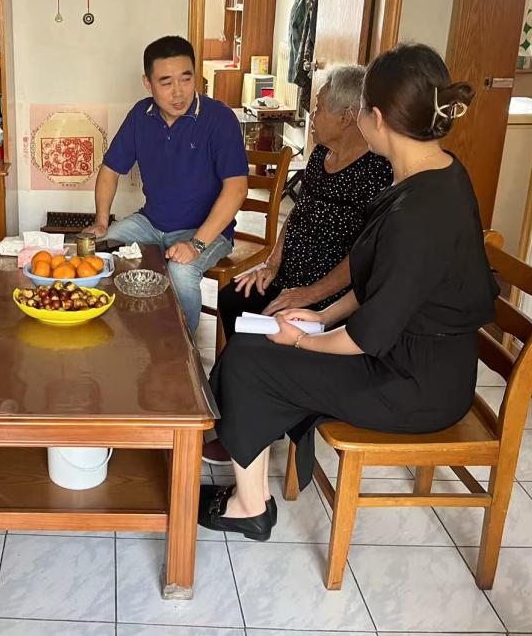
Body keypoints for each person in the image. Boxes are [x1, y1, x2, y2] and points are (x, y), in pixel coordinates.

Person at [199, 43, 498, 541]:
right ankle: (247, 482)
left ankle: (249, 508)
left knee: (252, 360)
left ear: (376, 119)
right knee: (256, 342)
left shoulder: (420, 213)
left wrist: (303, 340)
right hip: (405, 360)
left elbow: (366, 335)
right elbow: (380, 282)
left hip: (414, 386)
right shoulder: (436, 174)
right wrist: (318, 318)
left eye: (360, 111)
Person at [84, 35, 249, 335]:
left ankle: (183, 353)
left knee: (181, 270)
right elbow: (110, 170)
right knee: (92, 248)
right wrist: (101, 221)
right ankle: (113, 333)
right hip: (151, 223)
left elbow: (237, 189)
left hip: (206, 231)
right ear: (147, 84)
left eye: (186, 79)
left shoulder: (219, 118)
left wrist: (196, 245)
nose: (178, 92)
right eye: (166, 82)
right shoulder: (141, 115)